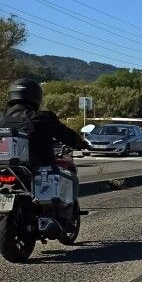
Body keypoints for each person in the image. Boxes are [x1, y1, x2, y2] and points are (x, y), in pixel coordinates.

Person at [0, 79, 89, 226]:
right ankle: (62, 218)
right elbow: (65, 134)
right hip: (36, 166)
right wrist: (80, 143)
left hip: (5, 167)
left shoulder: (1, 119)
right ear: (36, 96)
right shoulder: (43, 117)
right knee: (70, 177)